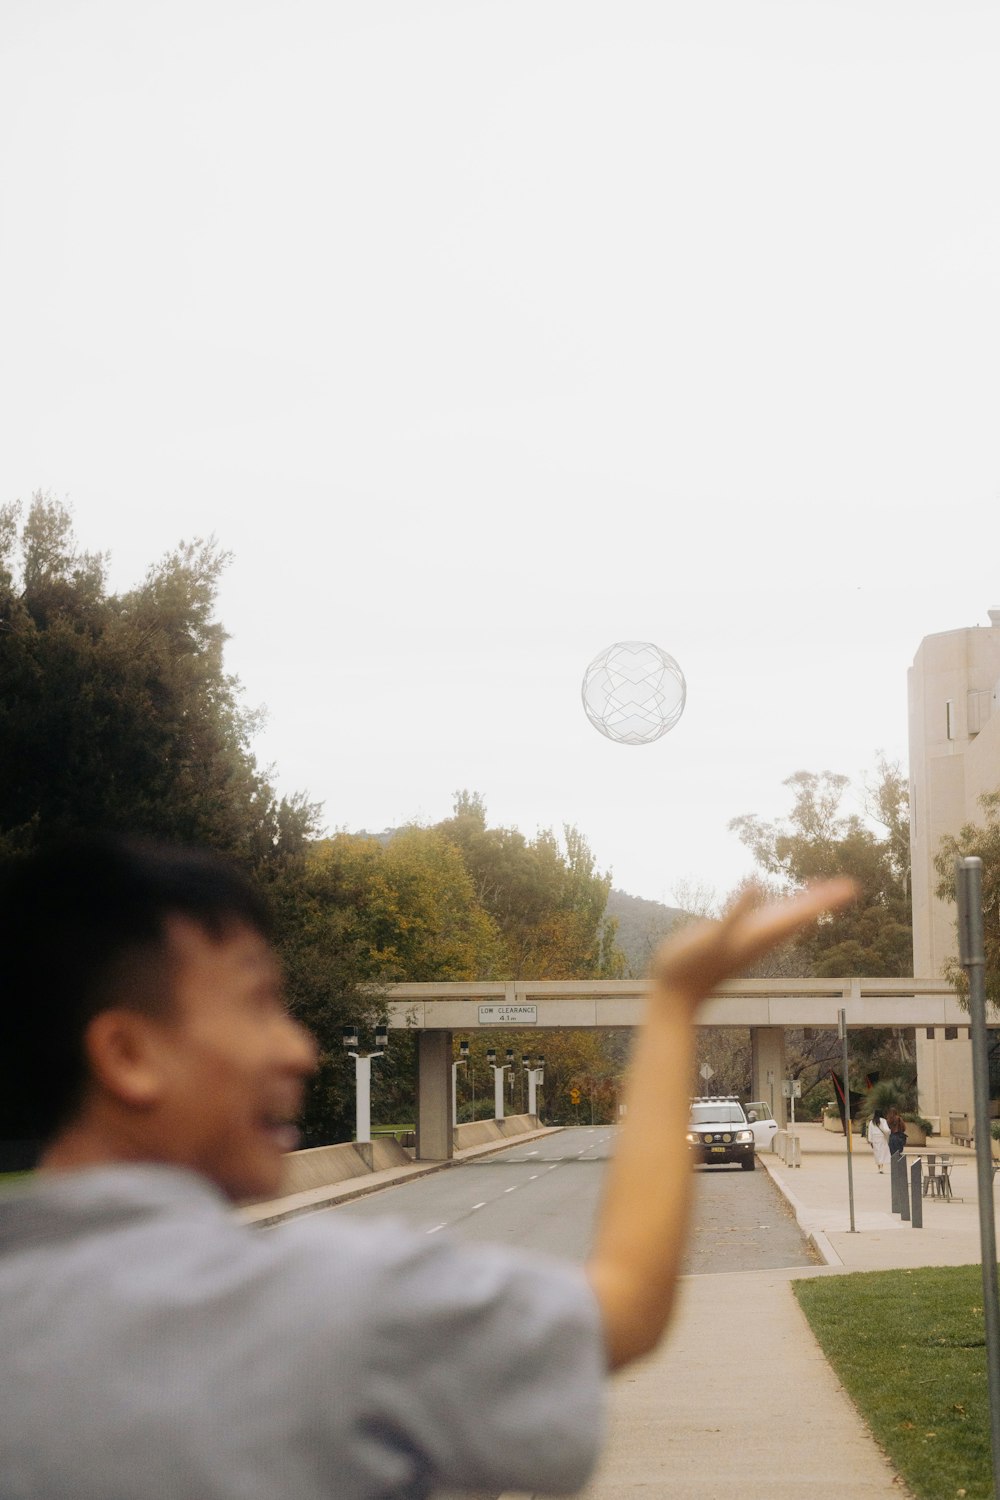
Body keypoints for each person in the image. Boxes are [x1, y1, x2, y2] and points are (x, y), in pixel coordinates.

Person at [0, 836, 854, 1500]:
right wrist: (672, 1004)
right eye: (257, 1003)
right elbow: (625, 1305)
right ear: (127, 1052)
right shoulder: (329, 1306)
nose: (298, 1049)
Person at [869, 1108, 891, 1173]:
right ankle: (881, 1167)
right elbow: (886, 1130)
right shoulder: (883, 1120)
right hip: (881, 1138)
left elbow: (870, 1131)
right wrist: (889, 1132)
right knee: (882, 1152)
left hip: (874, 1138)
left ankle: (879, 1167)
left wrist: (870, 1140)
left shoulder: (871, 1122)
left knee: (877, 1153)